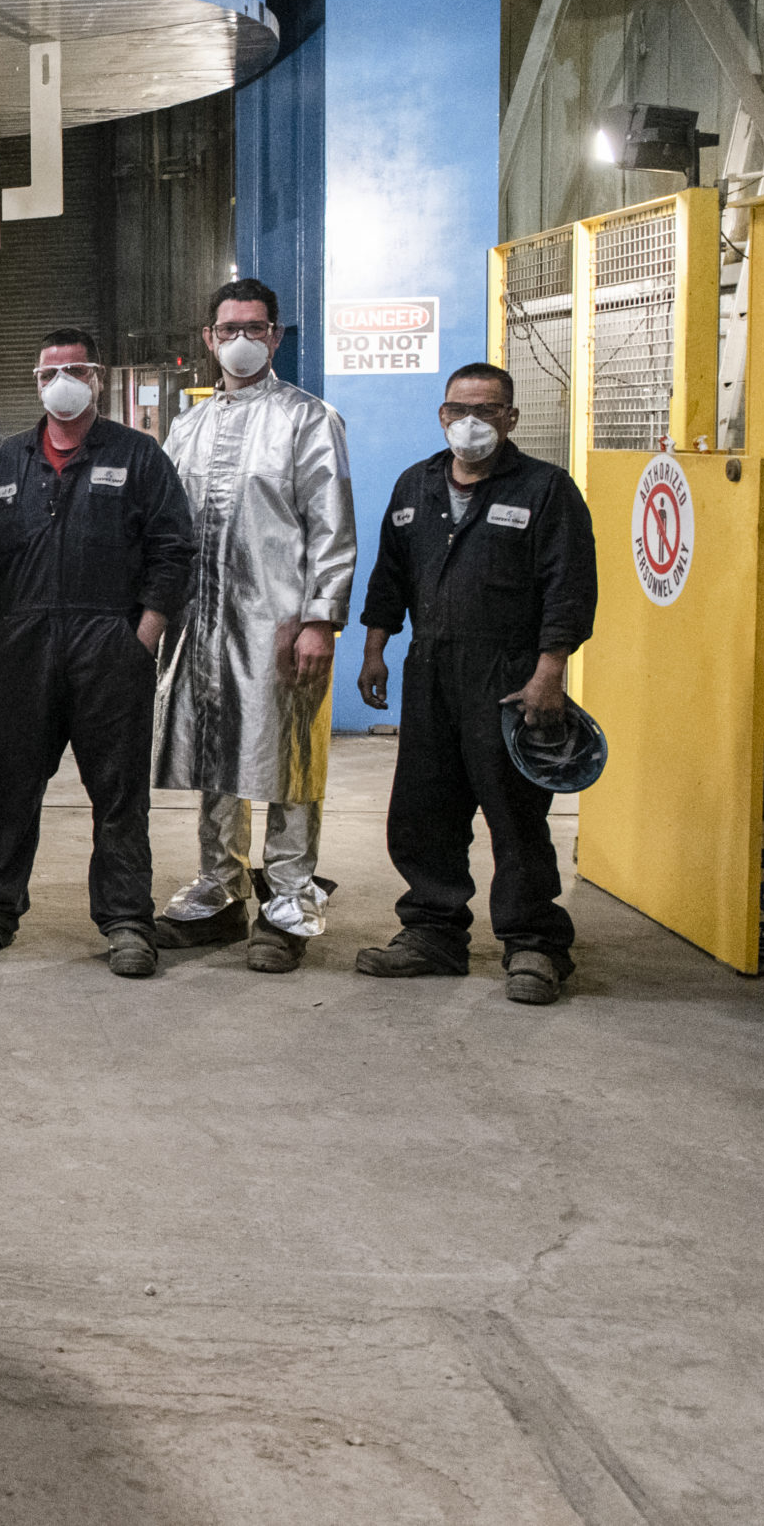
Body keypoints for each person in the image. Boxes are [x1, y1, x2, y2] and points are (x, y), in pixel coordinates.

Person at [0, 328, 195, 978]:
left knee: (117, 791)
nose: (63, 380)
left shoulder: (140, 457)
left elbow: (175, 546)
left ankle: (125, 919)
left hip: (107, 644)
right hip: (19, 645)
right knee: (4, 783)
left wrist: (142, 633)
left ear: (98, 376)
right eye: (51, 371)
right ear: (36, 382)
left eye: (76, 369)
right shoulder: (5, 462)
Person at [354, 362, 597, 1005]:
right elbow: (389, 579)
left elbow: (568, 590)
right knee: (423, 809)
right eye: (459, 408)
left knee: (515, 816)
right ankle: (433, 932)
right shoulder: (416, 485)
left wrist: (550, 672)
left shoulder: (546, 490)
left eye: (487, 410)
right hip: (429, 670)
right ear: (441, 414)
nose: (471, 421)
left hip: (510, 677)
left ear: (510, 419)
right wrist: (375, 650)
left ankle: (535, 944)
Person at [151, 279, 358, 972]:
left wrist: (320, 619)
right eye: (227, 327)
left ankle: (291, 897)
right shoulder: (190, 425)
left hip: (280, 621)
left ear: (274, 336)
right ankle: (220, 885)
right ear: (209, 338)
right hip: (202, 622)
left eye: (255, 326)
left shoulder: (309, 419)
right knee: (216, 751)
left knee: (290, 757)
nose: (240, 338)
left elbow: (332, 526)